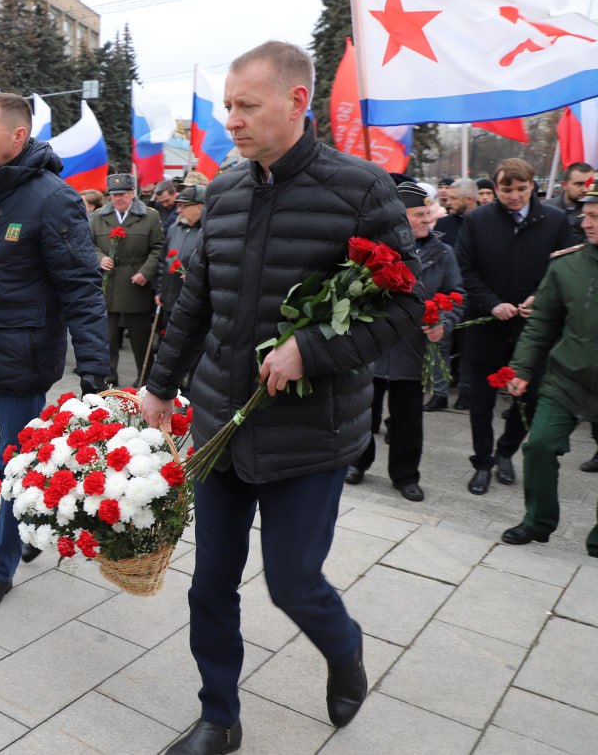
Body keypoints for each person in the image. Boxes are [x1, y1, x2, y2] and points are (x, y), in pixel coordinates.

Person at [140, 41, 423, 754]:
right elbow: (195, 301)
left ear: (297, 102)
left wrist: (313, 350)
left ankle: (345, 644)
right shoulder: (227, 191)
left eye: (246, 105)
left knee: (294, 583)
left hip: (309, 433)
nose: (230, 120)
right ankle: (219, 715)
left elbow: (403, 309)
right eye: (228, 106)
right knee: (210, 583)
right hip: (221, 427)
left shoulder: (360, 189)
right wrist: (159, 387)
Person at [0, 92, 110, 617]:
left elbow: (82, 287)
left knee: (14, 463)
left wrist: (94, 367)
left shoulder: (52, 198)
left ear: (18, 136)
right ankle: (30, 509)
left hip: (21, 355)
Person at [457, 158, 577, 495]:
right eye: (506, 189)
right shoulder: (478, 220)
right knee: (480, 403)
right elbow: (464, 267)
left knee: (529, 398)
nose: (514, 196)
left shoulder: (553, 220)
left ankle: (505, 451)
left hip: (532, 330)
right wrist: (491, 302)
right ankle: (482, 462)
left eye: (521, 189)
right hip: (487, 326)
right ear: (495, 188)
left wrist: (540, 297)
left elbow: (565, 266)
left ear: (532, 186)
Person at [347, 182, 463, 502]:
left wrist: (444, 323)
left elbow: (458, 296)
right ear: (400, 217)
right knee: (362, 413)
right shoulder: (375, 250)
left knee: (408, 419)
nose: (428, 220)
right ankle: (357, 461)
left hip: (414, 350)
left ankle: (406, 475)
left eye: (429, 213)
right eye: (420, 214)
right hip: (374, 346)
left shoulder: (443, 253)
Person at [500, 186, 598, 554]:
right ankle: (537, 522)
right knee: (539, 445)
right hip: (567, 377)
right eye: (585, 214)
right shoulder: (567, 265)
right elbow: (542, 322)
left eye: (594, 216)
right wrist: (521, 368)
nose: (583, 222)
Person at [89, 173, 164, 387]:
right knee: (108, 337)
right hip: (108, 284)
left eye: (122, 194)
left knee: (140, 337)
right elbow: (87, 245)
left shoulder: (150, 216)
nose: (118, 198)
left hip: (136, 283)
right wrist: (100, 259)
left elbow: (158, 247)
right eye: (114, 195)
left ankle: (145, 377)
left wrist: (146, 272)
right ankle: (108, 377)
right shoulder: (97, 217)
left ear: (133, 194)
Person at [427, 177, 478, 412]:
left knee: (469, 346)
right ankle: (439, 392)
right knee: (440, 342)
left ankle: (467, 391)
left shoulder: (484, 223)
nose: (449, 201)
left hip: (475, 294)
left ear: (469, 199)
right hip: (446, 294)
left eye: (454, 198)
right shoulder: (445, 223)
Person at [157, 183, 205, 347]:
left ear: (200, 207)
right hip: (170, 300)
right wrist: (159, 290)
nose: (179, 211)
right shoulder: (174, 228)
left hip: (194, 303)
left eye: (184, 206)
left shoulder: (209, 232)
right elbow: (163, 261)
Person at [546, 162, 595, 235]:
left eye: (590, 184)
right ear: (564, 185)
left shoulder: (595, 211)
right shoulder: (544, 209)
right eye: (579, 184)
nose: (585, 189)